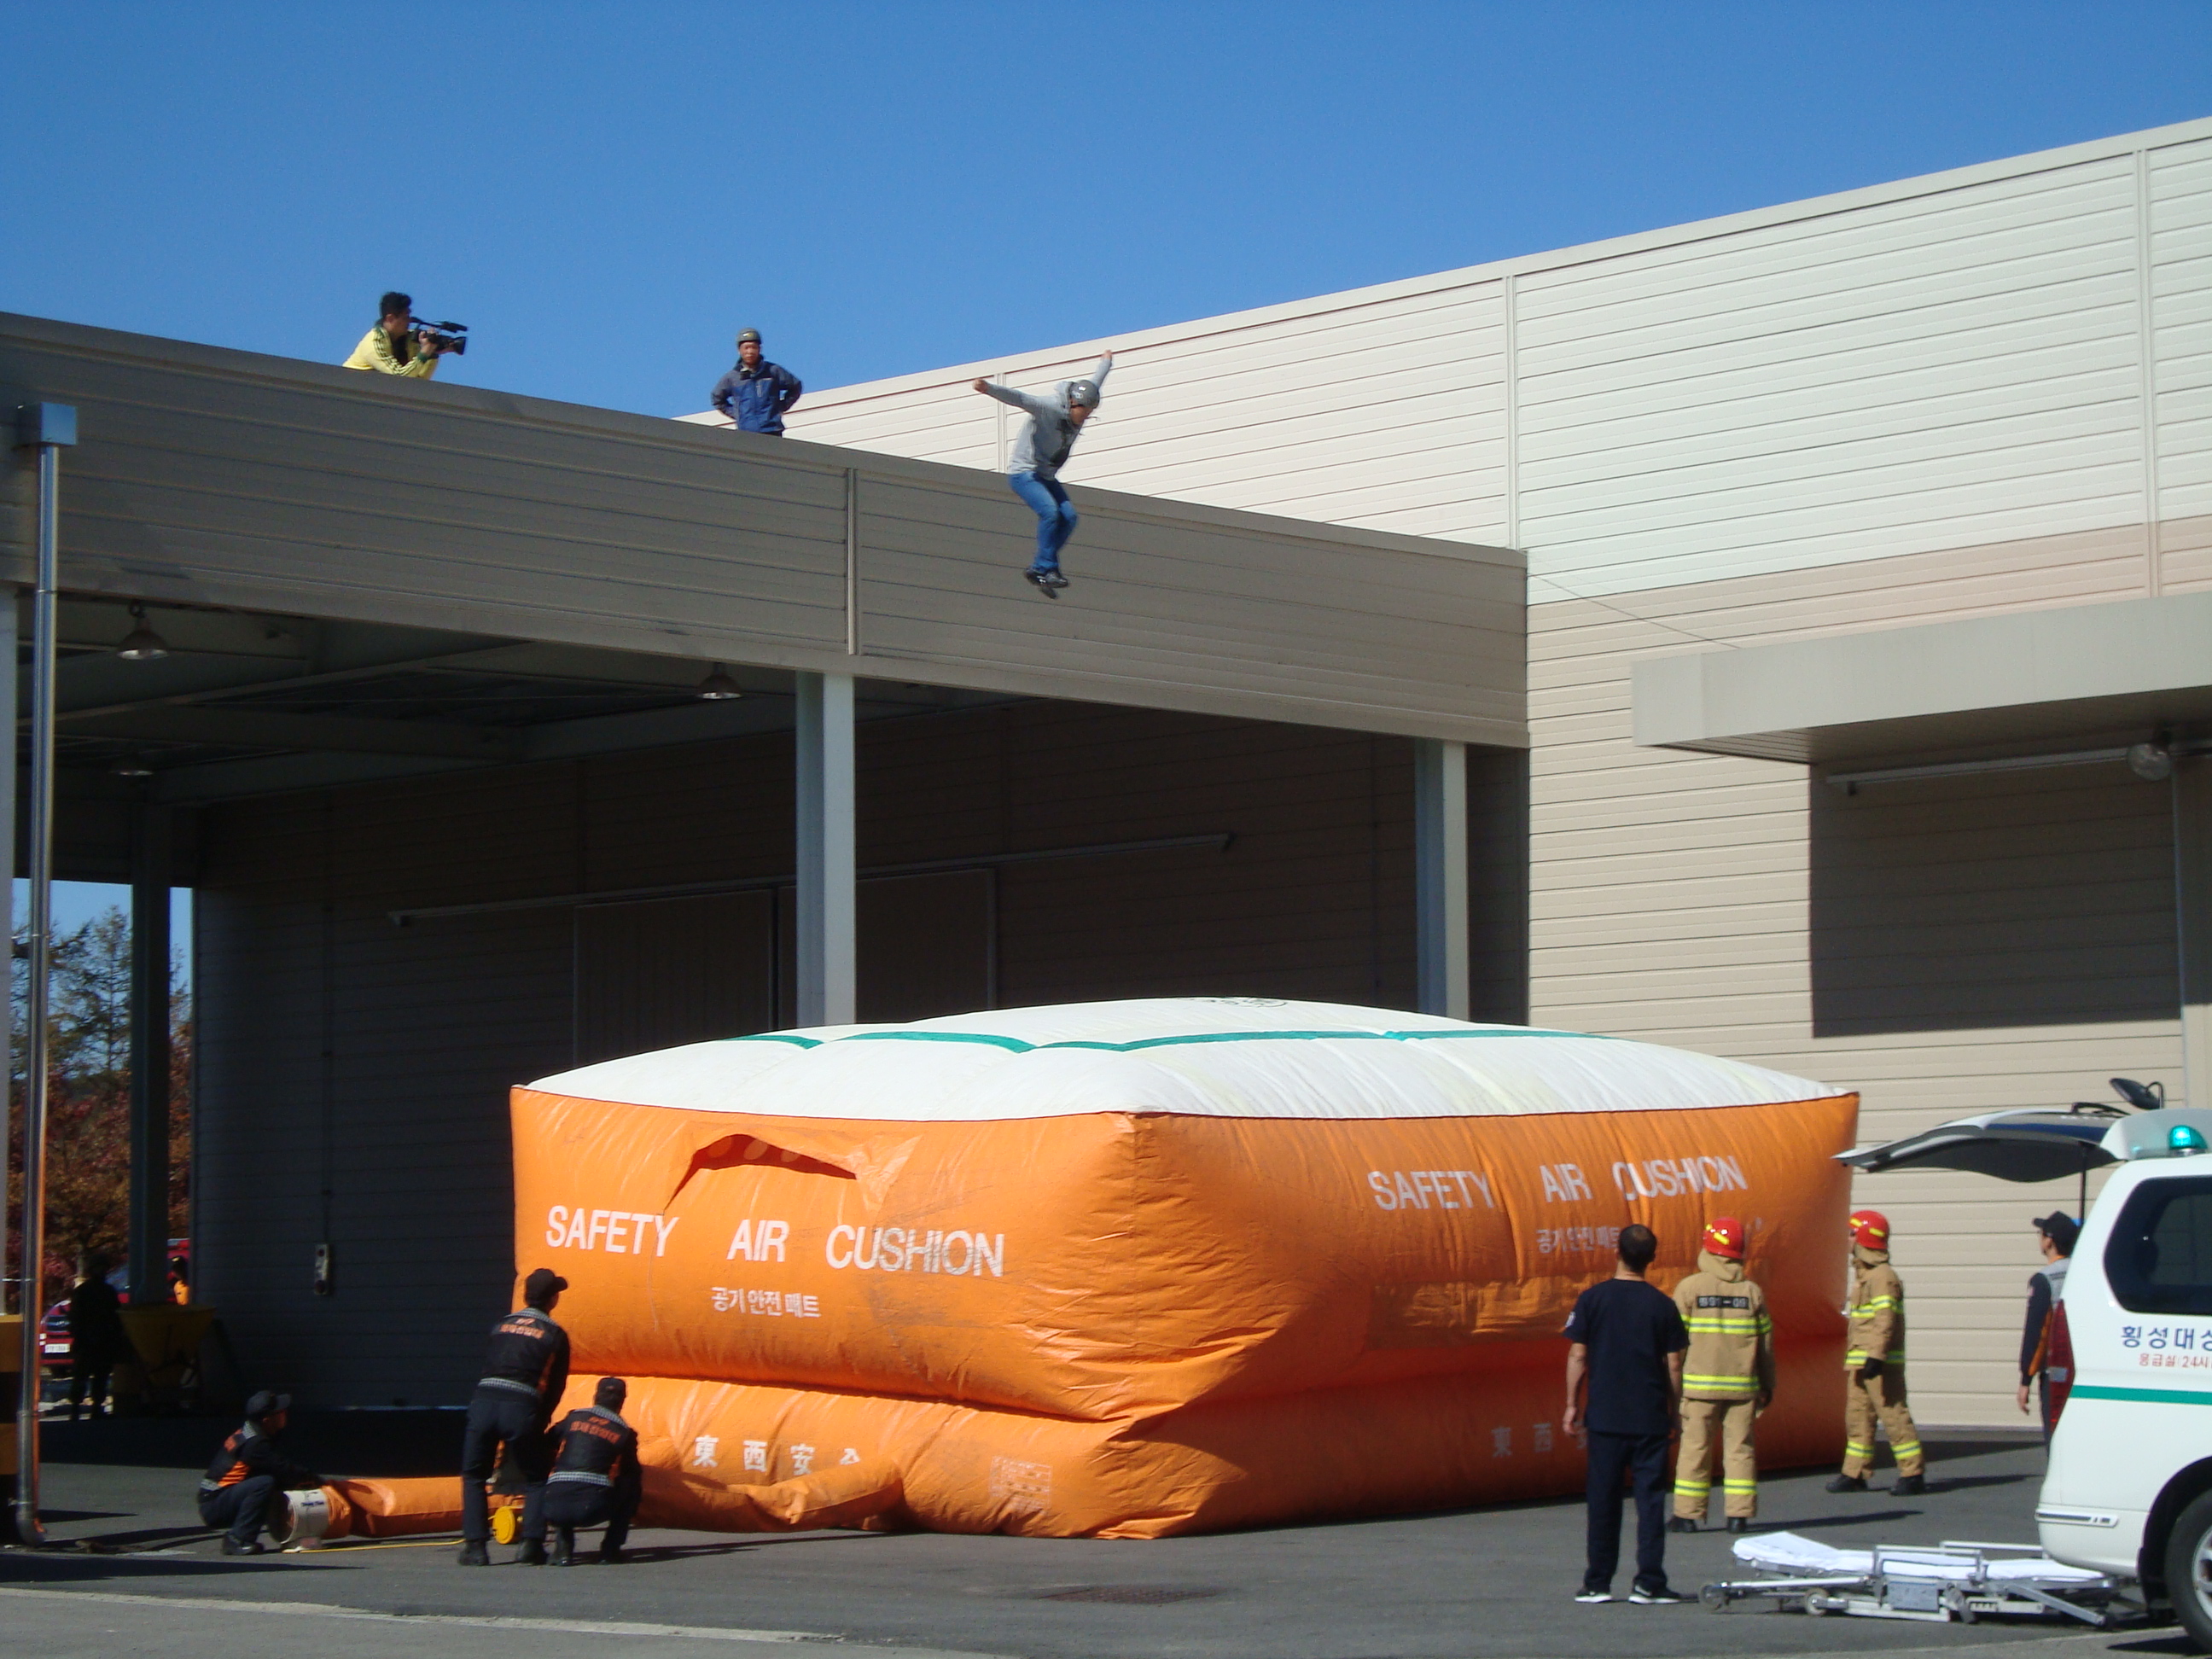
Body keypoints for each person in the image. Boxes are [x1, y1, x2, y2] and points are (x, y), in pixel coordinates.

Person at [1563, 1224, 1689, 1605]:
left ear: (1616, 1253)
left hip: (1605, 1416)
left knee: (1603, 1500)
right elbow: (1674, 1364)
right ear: (1652, 1259)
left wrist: (1572, 1404)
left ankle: (1598, 1582)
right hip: (1649, 1416)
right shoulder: (1662, 1305)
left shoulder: (1592, 1300)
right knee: (1650, 1502)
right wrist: (1675, 1412)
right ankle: (1648, 1582)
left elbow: (1578, 1355)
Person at [969, 352, 1114, 596]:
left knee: (1069, 517)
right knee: (1050, 512)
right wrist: (987, 388)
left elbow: (1096, 380)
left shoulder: (1083, 400)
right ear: (1073, 403)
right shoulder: (1049, 407)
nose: (1085, 418)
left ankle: (1040, 568)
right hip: (1024, 474)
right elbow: (1021, 398)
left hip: (1046, 477)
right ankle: (1046, 568)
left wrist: (1106, 361)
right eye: (1084, 413)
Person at [1668, 1216, 1774, 1534]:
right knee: (1740, 1450)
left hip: (1699, 1389)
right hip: (1742, 1389)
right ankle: (1738, 1516)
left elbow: (1675, 1345)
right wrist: (1767, 1384)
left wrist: (1671, 1387)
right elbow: (1765, 1345)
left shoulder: (1690, 1288)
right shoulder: (1752, 1292)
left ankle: (1687, 1516)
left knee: (1695, 1450)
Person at [458, 1267, 570, 1566]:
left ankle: (475, 1548)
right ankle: (531, 1545)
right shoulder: (554, 1334)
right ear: (553, 1299)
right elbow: (556, 1385)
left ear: (525, 1295)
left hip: (484, 1402)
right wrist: (541, 1420)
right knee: (536, 1477)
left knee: (474, 1476)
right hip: (521, 1406)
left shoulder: (501, 1325)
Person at [1828, 1208, 1926, 1495]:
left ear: (1864, 1238)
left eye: (1851, 1233)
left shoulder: (1883, 1277)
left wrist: (1877, 1356)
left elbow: (1886, 1320)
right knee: (1858, 1417)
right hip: (1861, 1361)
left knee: (1894, 1415)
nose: (1847, 1239)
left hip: (1879, 1363)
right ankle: (1855, 1472)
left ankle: (1912, 1473)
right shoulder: (1866, 1276)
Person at [198, 1390, 322, 1555]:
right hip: (214, 1505)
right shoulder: (254, 1445)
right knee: (264, 1484)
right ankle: (238, 1540)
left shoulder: (254, 1431)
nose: (285, 1413)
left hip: (222, 1497)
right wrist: (319, 1482)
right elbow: (285, 1470)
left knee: (273, 1481)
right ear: (267, 1420)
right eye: (280, 1412)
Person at [543, 1376, 643, 1565]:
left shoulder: (574, 1417)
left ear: (596, 1396)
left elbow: (547, 1442)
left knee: (561, 1481)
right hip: (593, 1509)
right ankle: (610, 1551)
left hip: (552, 1506)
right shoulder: (624, 1432)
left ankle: (563, 1550)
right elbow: (631, 1471)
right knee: (631, 1486)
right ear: (622, 1401)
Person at [2018, 1210, 2078, 1442]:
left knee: (2055, 1439)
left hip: (2055, 1375)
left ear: (2049, 1241)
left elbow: (2037, 1335)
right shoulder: (2085, 1272)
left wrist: (2026, 1379)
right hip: (2083, 1370)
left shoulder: (2044, 1280)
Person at [67, 1251, 129, 1421]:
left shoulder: (106, 1291)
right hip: (88, 1340)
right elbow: (76, 1316)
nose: (101, 1271)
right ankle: (76, 1408)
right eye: (98, 1268)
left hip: (102, 1339)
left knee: (99, 1375)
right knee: (82, 1375)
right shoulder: (85, 1291)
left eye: (103, 1268)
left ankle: (95, 1407)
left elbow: (115, 1316)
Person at [710, 330, 804, 435]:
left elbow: (795, 386)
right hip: (746, 432)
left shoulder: (773, 371)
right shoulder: (732, 377)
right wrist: (737, 413)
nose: (750, 352)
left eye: (753, 347)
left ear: (760, 349)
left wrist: (780, 407)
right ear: (739, 351)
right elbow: (717, 398)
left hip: (772, 430)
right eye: (746, 348)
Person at [341, 292, 451, 379]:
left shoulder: (407, 340)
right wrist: (425, 351)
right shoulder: (374, 342)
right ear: (390, 318)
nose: (409, 321)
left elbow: (419, 380)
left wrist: (433, 353)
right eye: (405, 317)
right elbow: (399, 377)